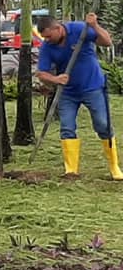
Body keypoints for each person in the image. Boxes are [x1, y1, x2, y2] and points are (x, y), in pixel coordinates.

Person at [37, 13, 123, 180]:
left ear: (58, 28)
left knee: (103, 125)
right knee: (67, 128)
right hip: (68, 93)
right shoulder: (47, 47)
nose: (47, 40)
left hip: (93, 87)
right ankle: (71, 171)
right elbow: (41, 73)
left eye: (48, 36)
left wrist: (95, 25)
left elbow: (107, 42)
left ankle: (114, 167)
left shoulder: (79, 29)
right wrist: (56, 79)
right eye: (44, 37)